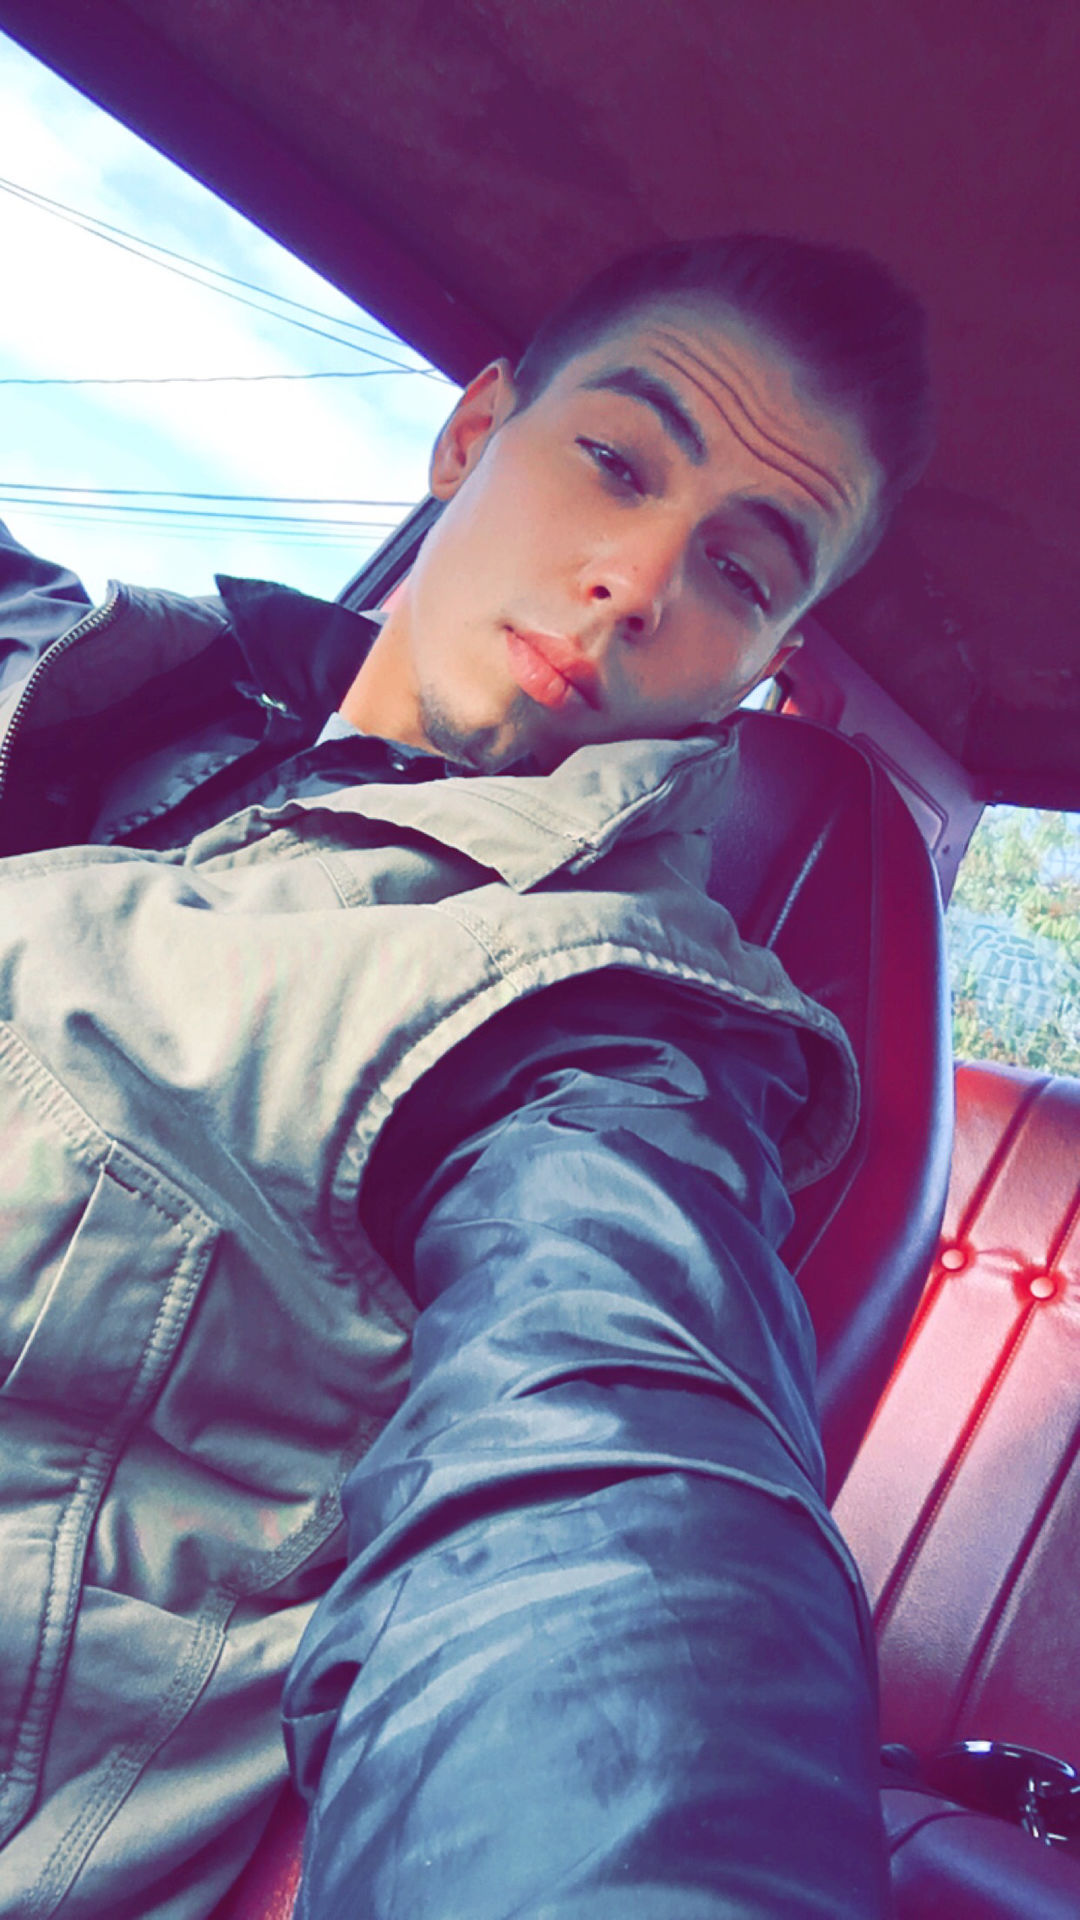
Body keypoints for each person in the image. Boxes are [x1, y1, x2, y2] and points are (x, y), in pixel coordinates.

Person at [0, 234, 931, 1918]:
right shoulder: (96, 668)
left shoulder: (604, 1033)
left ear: (765, 664)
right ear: (474, 433)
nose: (636, 581)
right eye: (617, 463)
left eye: (740, 571)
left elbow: (612, 1477)